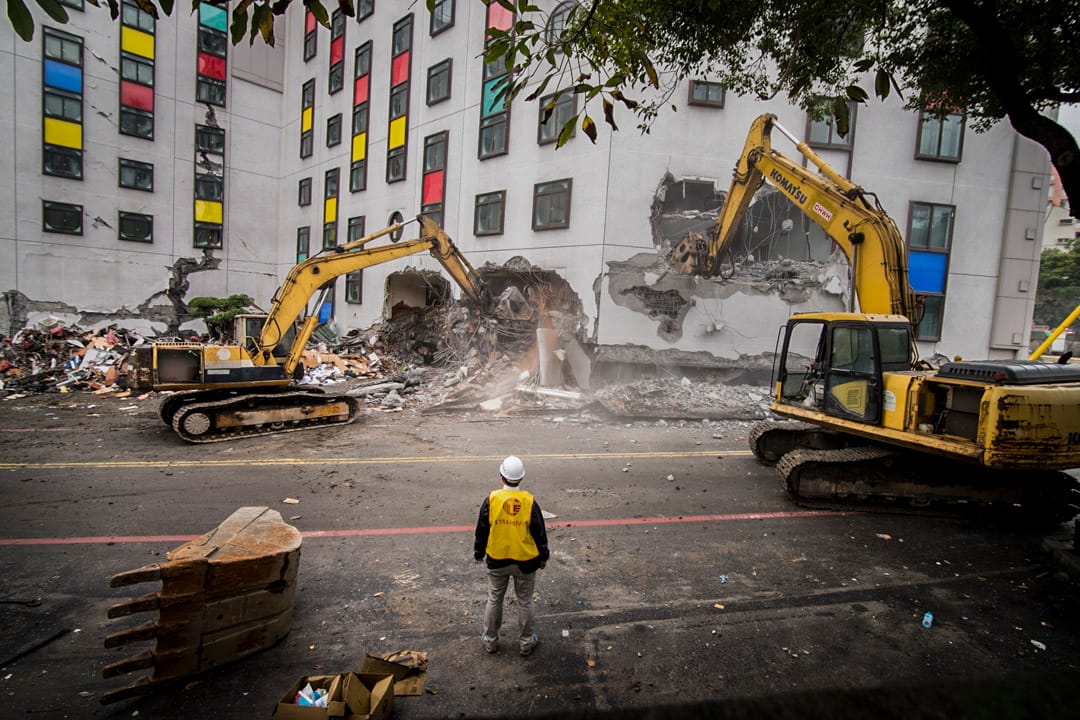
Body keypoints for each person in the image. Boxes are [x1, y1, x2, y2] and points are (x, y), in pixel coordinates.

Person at [473, 455, 550, 656]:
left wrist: (479, 552)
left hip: (497, 559)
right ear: (521, 478)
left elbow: (482, 530)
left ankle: (490, 641)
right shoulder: (529, 501)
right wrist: (543, 557)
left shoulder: (491, 499)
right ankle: (526, 642)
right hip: (525, 561)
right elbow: (539, 532)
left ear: (501, 476)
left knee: (494, 599)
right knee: (525, 601)